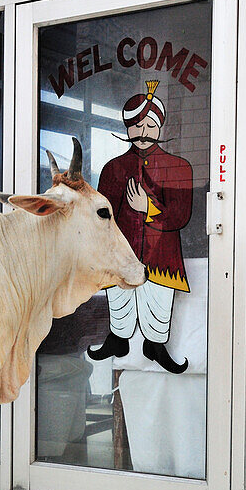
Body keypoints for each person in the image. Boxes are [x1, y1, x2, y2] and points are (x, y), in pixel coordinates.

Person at [89, 80, 193, 374]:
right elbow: (102, 216)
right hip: (122, 254)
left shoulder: (179, 167)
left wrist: (148, 209)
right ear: (127, 128)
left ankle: (156, 345)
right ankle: (118, 338)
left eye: (149, 124)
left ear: (159, 126)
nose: (143, 132)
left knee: (158, 301)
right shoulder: (113, 168)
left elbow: (180, 216)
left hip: (161, 255)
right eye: (136, 125)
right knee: (120, 298)